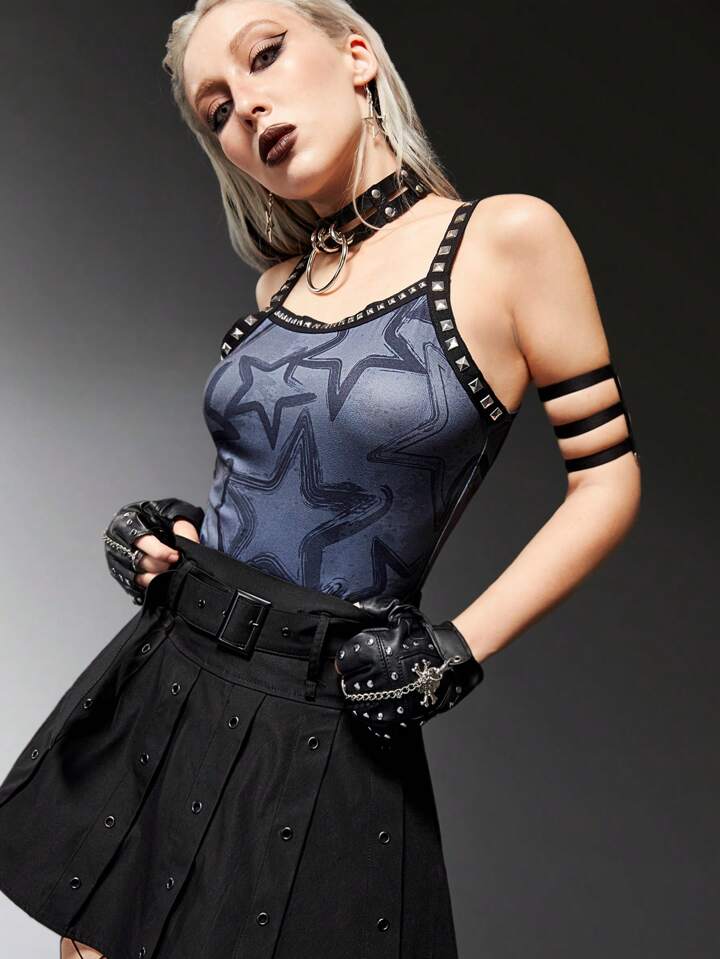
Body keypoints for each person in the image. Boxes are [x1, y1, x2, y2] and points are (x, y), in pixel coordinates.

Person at [0, 2, 641, 957]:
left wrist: (457, 647)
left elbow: (609, 480)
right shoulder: (279, 288)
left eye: (265, 56)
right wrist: (165, 533)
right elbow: (277, 488)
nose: (248, 109)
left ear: (356, 55)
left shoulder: (508, 240)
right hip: (170, 677)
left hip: (322, 714)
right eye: (218, 110)